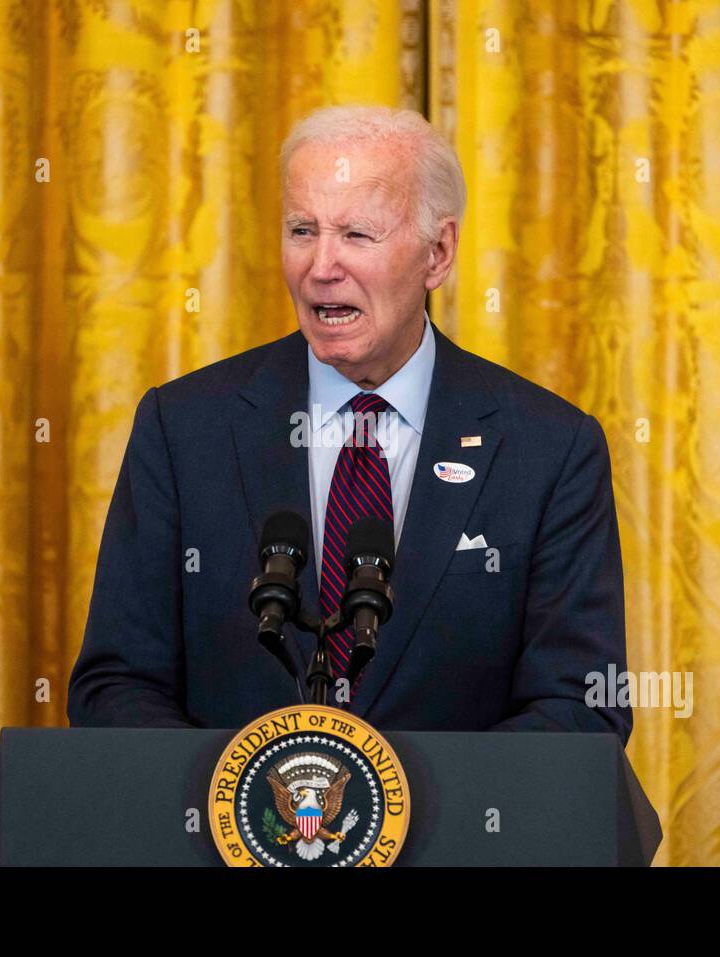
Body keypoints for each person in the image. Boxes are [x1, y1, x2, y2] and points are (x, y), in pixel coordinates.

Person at [68, 105, 631, 739]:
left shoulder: (548, 449)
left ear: (438, 254)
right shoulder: (183, 429)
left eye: (357, 235)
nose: (321, 266)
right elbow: (116, 685)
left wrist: (390, 808)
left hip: (458, 837)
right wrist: (242, 807)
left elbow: (582, 707)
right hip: (230, 833)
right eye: (302, 230)